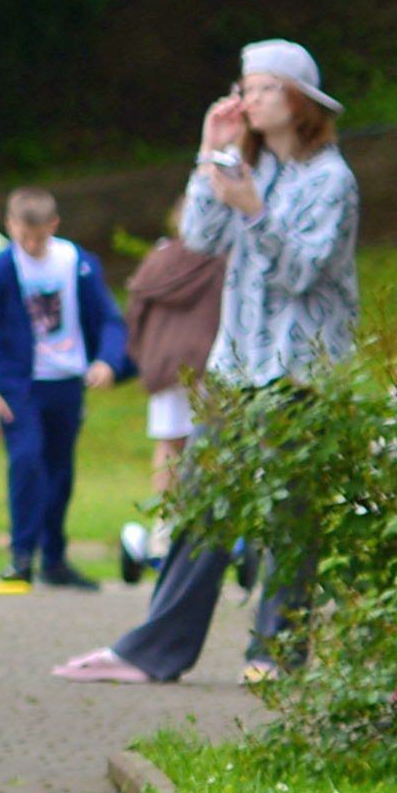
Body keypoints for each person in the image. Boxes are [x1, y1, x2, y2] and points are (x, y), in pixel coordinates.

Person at [60, 47, 359, 686]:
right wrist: (209, 152)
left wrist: (256, 210)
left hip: (301, 372)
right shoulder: (252, 167)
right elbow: (197, 240)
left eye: (262, 88)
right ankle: (153, 652)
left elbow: (305, 272)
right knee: (203, 509)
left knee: (290, 516)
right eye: (243, 88)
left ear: (297, 100)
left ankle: (276, 659)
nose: (247, 100)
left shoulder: (331, 180)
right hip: (236, 368)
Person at [0, 186, 127, 593]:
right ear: (10, 226)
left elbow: (110, 319)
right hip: (21, 386)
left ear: (53, 226)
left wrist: (107, 361)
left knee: (60, 471)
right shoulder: (4, 267)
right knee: (27, 461)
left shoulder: (77, 263)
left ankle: (53, 559)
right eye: (24, 235)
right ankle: (21, 556)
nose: (32, 244)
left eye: (39, 235)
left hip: (67, 382)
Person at [115, 212, 229, 579]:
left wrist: (141, 357)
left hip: (165, 366)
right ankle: (210, 524)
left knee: (168, 446)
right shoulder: (223, 260)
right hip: (211, 364)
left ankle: (165, 531)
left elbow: (136, 314)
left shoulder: (158, 260)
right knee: (214, 446)